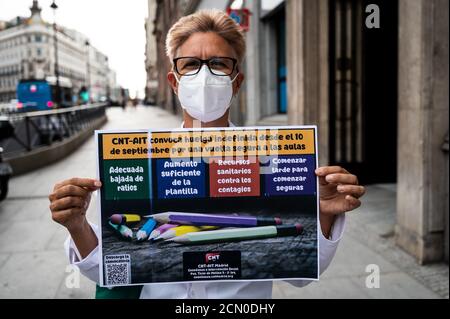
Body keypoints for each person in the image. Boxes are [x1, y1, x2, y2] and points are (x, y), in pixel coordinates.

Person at [49, 10, 365, 299]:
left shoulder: (275, 159)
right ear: (174, 81)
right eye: (190, 64)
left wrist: (323, 213)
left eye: (218, 63)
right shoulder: (134, 161)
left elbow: (302, 274)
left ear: (236, 80)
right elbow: (110, 271)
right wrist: (77, 224)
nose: (205, 75)